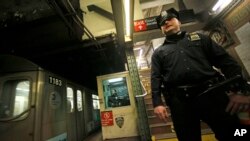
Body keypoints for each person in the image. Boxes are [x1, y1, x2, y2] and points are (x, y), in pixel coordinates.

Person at [151, 8, 250, 141]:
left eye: (170, 19)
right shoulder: (158, 53)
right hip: (181, 103)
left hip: (213, 96)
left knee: (234, 134)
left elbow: (227, 62)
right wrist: (157, 103)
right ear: (161, 30)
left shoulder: (201, 39)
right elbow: (155, 78)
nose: (166, 22)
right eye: (163, 23)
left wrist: (239, 91)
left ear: (179, 21)